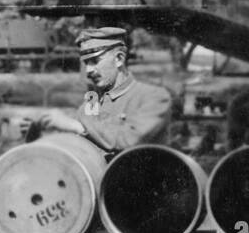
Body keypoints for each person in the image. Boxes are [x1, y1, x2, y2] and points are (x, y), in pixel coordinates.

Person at [21, 27, 172, 155]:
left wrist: (75, 126)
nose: (88, 70)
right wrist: (43, 129)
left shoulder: (154, 97)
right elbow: (82, 140)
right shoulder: (93, 99)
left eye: (95, 61)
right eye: (86, 63)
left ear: (119, 59)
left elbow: (129, 140)